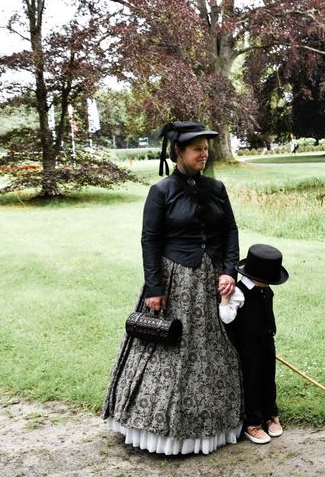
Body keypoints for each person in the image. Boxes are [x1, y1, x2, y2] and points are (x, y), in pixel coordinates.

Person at [102, 121, 243, 455]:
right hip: (174, 281)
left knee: (213, 348)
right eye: (197, 149)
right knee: (168, 347)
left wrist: (229, 271)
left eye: (206, 148)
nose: (204, 154)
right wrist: (154, 287)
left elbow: (230, 231)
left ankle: (213, 425)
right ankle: (160, 430)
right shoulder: (162, 191)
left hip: (210, 281)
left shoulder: (217, 188)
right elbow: (150, 240)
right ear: (178, 152)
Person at [219, 244, 289, 444]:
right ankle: (253, 423)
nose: (270, 284)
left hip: (267, 340)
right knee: (252, 381)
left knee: (269, 378)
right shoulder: (238, 292)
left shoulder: (265, 290)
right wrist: (224, 297)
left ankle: (270, 415)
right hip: (248, 345)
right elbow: (226, 318)